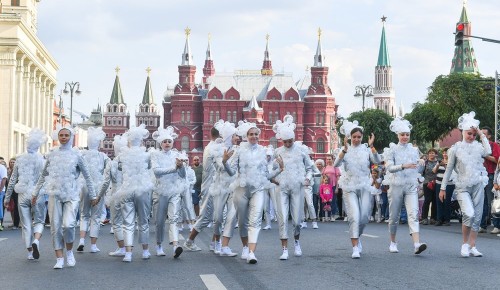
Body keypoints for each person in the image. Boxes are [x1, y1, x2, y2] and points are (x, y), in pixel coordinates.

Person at [31, 124, 96, 269]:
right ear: (58, 137)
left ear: (71, 137)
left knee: (68, 225)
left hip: (72, 194)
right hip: (55, 194)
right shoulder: (52, 154)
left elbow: (87, 176)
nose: (64, 137)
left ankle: (69, 252)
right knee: (55, 226)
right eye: (61, 135)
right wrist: (35, 193)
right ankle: (59, 258)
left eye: (66, 135)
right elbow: (43, 176)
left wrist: (93, 195)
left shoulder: (77, 155)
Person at [223, 120, 283, 264]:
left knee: (255, 221)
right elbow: (231, 173)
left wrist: (279, 170)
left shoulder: (263, 151)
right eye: (251, 134)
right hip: (241, 189)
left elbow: (265, 176)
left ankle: (251, 252)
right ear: (246, 135)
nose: (254, 136)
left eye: (256, 134)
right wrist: (225, 162)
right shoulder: (238, 151)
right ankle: (245, 247)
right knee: (242, 221)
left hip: (258, 189)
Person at [439, 112, 490, 257]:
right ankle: (464, 244)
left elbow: (488, 151)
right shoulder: (455, 149)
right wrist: (442, 188)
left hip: (478, 184)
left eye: (474, 134)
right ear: (462, 132)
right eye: (469, 133)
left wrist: (481, 133)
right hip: (462, 186)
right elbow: (448, 169)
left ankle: (473, 246)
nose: (472, 137)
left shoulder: (478, 147)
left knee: (478, 216)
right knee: (469, 213)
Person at [335, 120, 380, 258]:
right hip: (349, 186)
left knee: (365, 216)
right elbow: (336, 163)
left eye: (359, 137)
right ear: (349, 137)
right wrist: (344, 150)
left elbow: (377, 161)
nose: (356, 139)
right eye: (354, 137)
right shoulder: (344, 150)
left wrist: (372, 146)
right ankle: (355, 247)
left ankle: (357, 236)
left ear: (362, 137)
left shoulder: (366, 150)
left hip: (364, 185)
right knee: (354, 216)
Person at [382, 117, 427, 255]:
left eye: (407, 134)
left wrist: (420, 163)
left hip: (410, 186)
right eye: (402, 134)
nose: (405, 137)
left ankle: (416, 244)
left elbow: (416, 170)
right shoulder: (392, 149)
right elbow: (389, 168)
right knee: (394, 216)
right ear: (397, 135)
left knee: (413, 214)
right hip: (396, 185)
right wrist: (403, 166)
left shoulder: (414, 150)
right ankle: (393, 242)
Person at [272, 115, 314, 260]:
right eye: (285, 142)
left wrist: (307, 178)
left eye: (290, 141)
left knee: (297, 219)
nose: (288, 144)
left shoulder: (302, 151)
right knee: (282, 217)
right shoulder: (277, 152)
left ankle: (296, 242)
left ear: (294, 139)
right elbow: (271, 170)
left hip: (297, 187)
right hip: (282, 187)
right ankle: (284, 249)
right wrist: (274, 179)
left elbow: (310, 168)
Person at [4, 129, 47, 260]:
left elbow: (12, 180)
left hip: (22, 194)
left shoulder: (19, 159)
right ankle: (36, 241)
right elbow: (45, 179)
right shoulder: (42, 160)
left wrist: (7, 198)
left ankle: (29, 252)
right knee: (39, 221)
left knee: (26, 224)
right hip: (37, 194)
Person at [116, 124, 154, 262]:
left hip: (126, 189)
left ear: (129, 140)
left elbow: (120, 169)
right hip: (142, 189)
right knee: (143, 221)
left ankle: (128, 253)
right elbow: (149, 167)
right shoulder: (147, 155)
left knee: (128, 222)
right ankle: (145, 250)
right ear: (142, 141)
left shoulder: (122, 156)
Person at [150, 126, 186, 258]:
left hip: (174, 190)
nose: (167, 143)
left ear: (172, 143)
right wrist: (174, 168)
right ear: (160, 143)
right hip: (160, 191)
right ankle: (159, 245)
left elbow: (182, 175)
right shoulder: (155, 155)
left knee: (174, 218)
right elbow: (157, 172)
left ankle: (176, 245)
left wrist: (181, 167)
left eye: (169, 141)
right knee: (159, 221)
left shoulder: (177, 156)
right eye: (164, 141)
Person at [183, 127, 220, 252]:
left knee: (219, 217)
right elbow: (221, 167)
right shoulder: (213, 148)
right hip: (211, 188)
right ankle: (189, 241)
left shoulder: (213, 147)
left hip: (216, 187)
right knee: (205, 217)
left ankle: (215, 243)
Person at [77, 127, 110, 253]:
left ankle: (81, 240)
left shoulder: (82, 154)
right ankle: (93, 245)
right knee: (95, 217)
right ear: (98, 143)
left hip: (84, 186)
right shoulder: (103, 156)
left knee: (84, 215)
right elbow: (108, 172)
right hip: (98, 186)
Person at [210, 120, 240, 256]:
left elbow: (234, 172)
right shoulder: (217, 150)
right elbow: (222, 168)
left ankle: (224, 245)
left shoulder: (238, 151)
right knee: (218, 217)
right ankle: (216, 241)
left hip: (233, 187)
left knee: (232, 216)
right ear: (229, 137)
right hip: (220, 186)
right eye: (234, 136)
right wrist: (225, 161)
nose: (237, 138)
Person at [97, 135, 128, 257]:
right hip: (129, 193)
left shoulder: (112, 163)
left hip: (116, 193)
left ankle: (122, 248)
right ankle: (139, 250)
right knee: (130, 222)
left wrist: (99, 196)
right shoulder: (130, 162)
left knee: (116, 222)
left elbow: (105, 182)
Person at [479, 126, 500, 233]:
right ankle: (482, 225)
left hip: (491, 175)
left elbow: (497, 160)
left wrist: (485, 155)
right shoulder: (477, 145)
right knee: (481, 202)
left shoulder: (494, 145)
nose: (481, 136)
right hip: (479, 176)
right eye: (480, 134)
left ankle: (497, 225)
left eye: (484, 134)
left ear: (489, 136)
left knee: (492, 201)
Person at [433, 148, 455, 226]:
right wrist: (439, 165)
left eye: (446, 153)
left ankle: (447, 219)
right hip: (439, 183)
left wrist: (446, 166)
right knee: (439, 201)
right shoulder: (439, 162)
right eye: (444, 153)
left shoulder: (452, 162)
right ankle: (439, 219)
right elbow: (434, 171)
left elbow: (451, 173)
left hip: (449, 184)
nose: (445, 154)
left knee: (446, 201)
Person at [420, 148, 439, 225]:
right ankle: (424, 218)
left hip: (436, 183)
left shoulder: (438, 162)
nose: (431, 154)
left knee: (435, 201)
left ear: (436, 154)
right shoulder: (425, 162)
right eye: (430, 153)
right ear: (428, 154)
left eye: (433, 153)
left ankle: (433, 218)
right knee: (427, 200)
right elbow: (421, 172)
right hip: (427, 183)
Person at [322, 154, 341, 218]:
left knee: (333, 200)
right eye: (327, 159)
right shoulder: (324, 168)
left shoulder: (335, 167)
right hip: (325, 187)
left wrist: (337, 188)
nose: (328, 160)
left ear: (333, 160)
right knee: (326, 201)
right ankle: (327, 215)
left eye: (330, 159)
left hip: (333, 186)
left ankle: (333, 215)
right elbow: (322, 178)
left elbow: (338, 178)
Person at [6, 157, 20, 229]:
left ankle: (17, 223)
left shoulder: (18, 170)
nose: (12, 163)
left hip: (16, 191)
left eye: (14, 162)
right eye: (11, 162)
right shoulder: (7, 170)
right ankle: (14, 222)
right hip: (9, 191)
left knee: (17, 207)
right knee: (11, 207)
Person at [0, 159, 7, 231]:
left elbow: (4, 179)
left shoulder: (2, 167)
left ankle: (0, 224)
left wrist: (0, 190)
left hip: (1, 191)